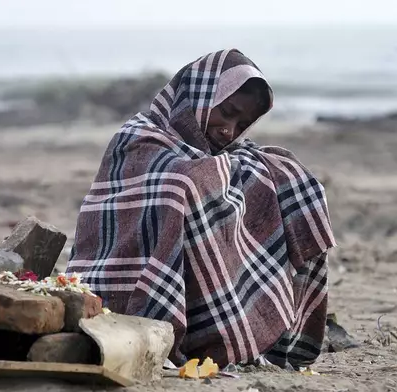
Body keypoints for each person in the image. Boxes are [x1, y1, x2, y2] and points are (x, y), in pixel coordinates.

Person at [66, 49, 336, 369]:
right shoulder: (138, 136)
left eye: (242, 123)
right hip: (111, 291)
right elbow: (175, 185)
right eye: (227, 111)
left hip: (196, 312)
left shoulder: (226, 156)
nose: (229, 130)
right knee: (187, 187)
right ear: (199, 93)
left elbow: (232, 174)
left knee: (292, 187)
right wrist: (200, 181)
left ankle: (228, 333)